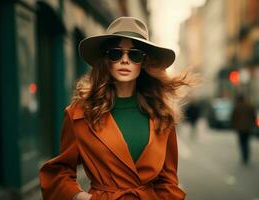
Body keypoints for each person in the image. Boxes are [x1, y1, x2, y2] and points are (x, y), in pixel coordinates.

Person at [39, 16, 194, 200]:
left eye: (134, 54)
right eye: (116, 53)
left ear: (144, 62)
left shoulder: (161, 115)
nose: (125, 60)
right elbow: (58, 171)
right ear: (106, 60)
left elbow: (168, 181)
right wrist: (80, 197)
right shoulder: (81, 113)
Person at [231, 94, 256, 166]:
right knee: (246, 142)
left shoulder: (237, 107)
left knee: (242, 143)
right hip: (248, 127)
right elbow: (253, 116)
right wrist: (253, 124)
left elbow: (233, 117)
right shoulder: (249, 106)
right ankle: (246, 155)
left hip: (240, 128)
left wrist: (234, 126)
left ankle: (244, 156)